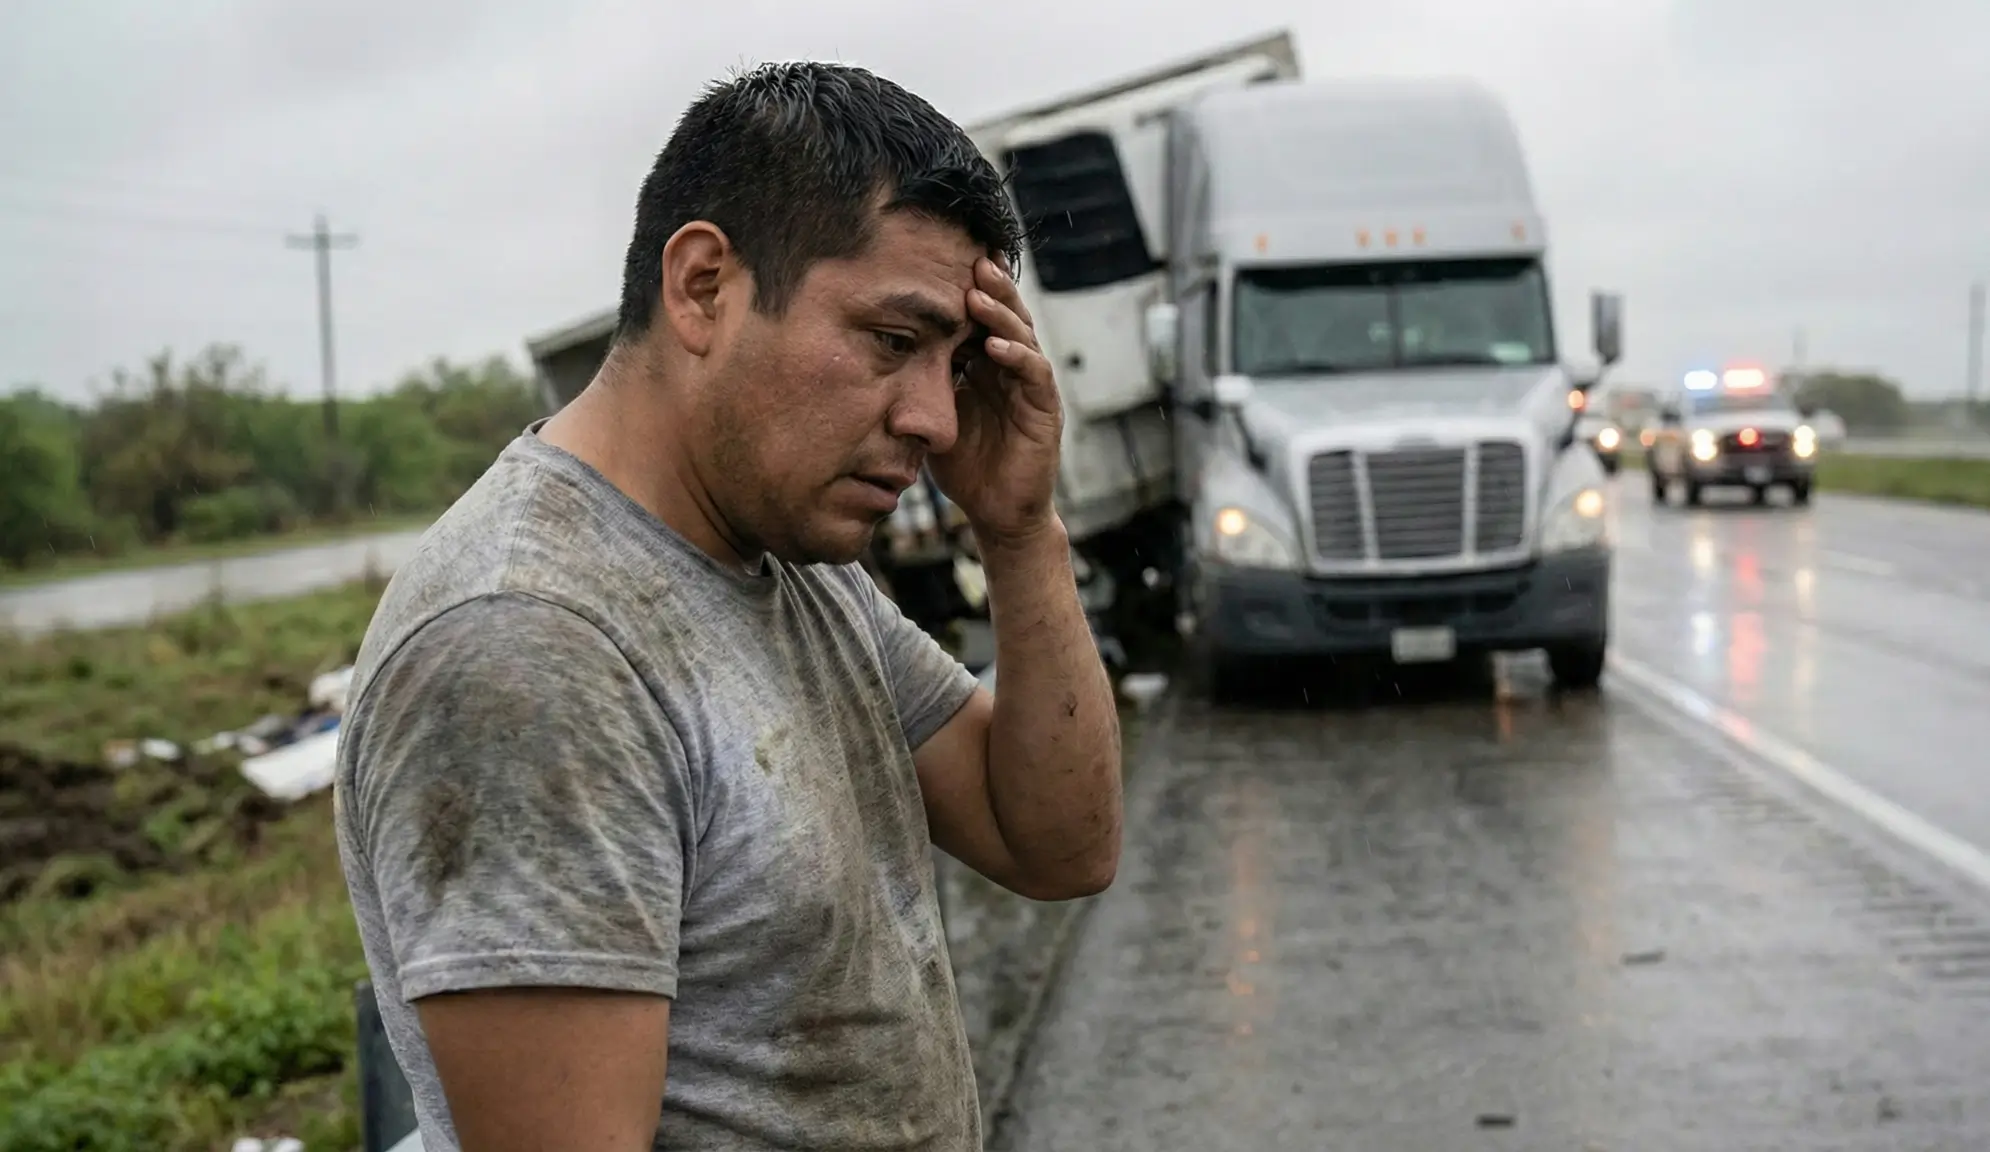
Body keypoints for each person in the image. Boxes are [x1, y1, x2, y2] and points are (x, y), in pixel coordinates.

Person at [331, 59, 1123, 1152]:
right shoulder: (531, 646)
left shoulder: (790, 562)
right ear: (703, 286)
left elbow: (1055, 846)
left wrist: (1021, 532)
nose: (938, 420)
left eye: (957, 362)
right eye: (894, 343)